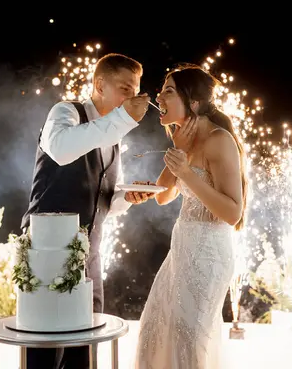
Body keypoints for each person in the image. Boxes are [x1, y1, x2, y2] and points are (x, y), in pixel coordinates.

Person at [21, 52, 155, 369]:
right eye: (125, 88)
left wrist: (129, 197)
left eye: (136, 91)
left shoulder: (113, 135)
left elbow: (103, 200)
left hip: (90, 253)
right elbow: (62, 149)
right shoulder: (65, 112)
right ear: (99, 84)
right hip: (47, 251)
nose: (132, 98)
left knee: (84, 343)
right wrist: (122, 120)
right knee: (46, 346)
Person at [134, 64, 248, 369]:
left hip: (209, 253)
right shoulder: (184, 136)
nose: (159, 96)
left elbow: (231, 212)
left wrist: (185, 171)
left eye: (168, 91)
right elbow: (163, 196)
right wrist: (178, 153)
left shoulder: (219, 139)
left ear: (193, 102)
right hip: (181, 247)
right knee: (153, 329)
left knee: (188, 337)